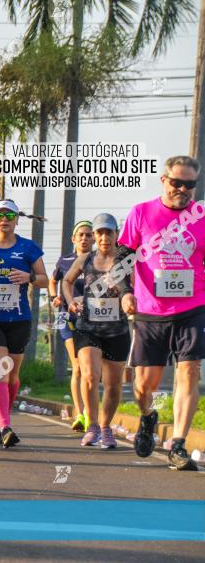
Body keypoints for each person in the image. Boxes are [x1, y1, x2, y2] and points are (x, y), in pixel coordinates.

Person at [118, 156, 203, 471]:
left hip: (192, 306)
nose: (182, 189)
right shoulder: (141, 213)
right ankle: (148, 416)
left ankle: (178, 445)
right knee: (144, 384)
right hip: (150, 310)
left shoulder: (201, 216)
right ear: (163, 180)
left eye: (189, 185)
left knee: (189, 371)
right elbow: (122, 256)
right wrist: (126, 292)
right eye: (176, 182)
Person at [0, 199, 47, 448]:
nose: (5, 219)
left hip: (19, 320)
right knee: (1, 372)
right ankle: (5, 426)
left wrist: (30, 276)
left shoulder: (28, 248)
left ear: (16, 219)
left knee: (12, 376)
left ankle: (4, 417)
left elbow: (45, 280)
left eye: (9, 215)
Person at [62, 213, 132, 449]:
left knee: (113, 384)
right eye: (98, 233)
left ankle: (105, 427)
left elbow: (140, 282)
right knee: (90, 375)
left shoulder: (127, 260)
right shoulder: (85, 259)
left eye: (108, 232)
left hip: (117, 330)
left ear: (116, 235)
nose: (103, 237)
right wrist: (71, 301)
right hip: (87, 328)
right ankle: (92, 425)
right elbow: (66, 281)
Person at [49, 220, 94, 432]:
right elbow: (52, 280)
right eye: (81, 235)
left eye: (88, 235)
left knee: (90, 369)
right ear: (73, 239)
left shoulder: (100, 260)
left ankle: (87, 411)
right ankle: (81, 413)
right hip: (66, 316)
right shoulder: (65, 260)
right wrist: (53, 297)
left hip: (92, 318)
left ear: (94, 238)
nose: (84, 238)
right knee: (77, 365)